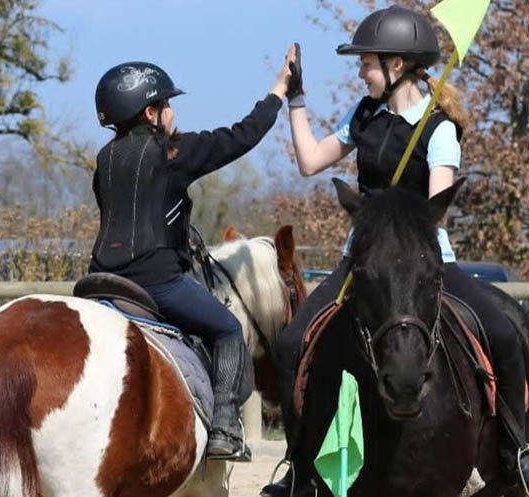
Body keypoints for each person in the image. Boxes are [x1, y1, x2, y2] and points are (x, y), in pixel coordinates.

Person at [262, 6, 529, 496]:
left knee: (505, 334)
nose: (361, 71)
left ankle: (516, 459)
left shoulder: (440, 128)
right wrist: (296, 99)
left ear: (397, 65)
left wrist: (396, 214)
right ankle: (299, 467)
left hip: (427, 259)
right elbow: (309, 162)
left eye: (366, 62)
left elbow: (435, 210)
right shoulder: (364, 115)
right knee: (290, 342)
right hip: (361, 259)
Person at [89, 54, 298, 459]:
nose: (172, 112)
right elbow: (243, 135)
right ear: (151, 112)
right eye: (167, 104)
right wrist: (278, 92)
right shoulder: (174, 153)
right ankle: (223, 427)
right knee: (227, 330)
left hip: (99, 279)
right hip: (157, 280)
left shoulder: (103, 161)